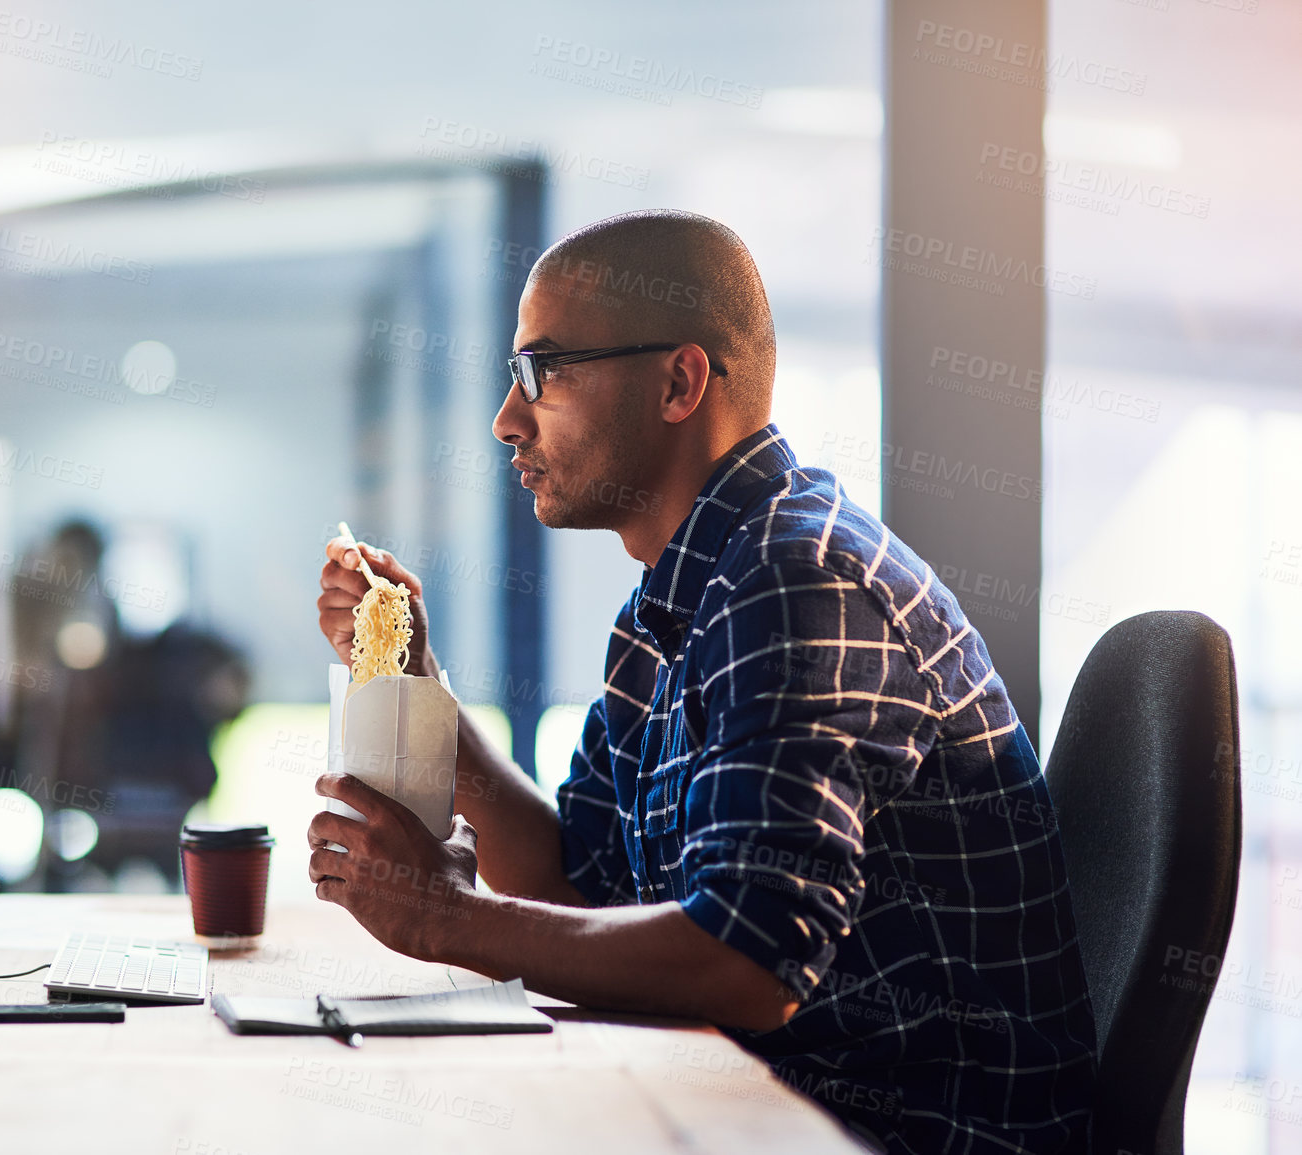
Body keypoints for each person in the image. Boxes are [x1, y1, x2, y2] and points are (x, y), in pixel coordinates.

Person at [309, 210, 1096, 1154]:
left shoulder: (799, 581)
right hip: (750, 1112)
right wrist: (414, 684)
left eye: (540, 371)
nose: (505, 418)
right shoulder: (677, 598)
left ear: (679, 381)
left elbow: (747, 959)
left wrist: (446, 917)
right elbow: (577, 884)